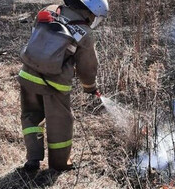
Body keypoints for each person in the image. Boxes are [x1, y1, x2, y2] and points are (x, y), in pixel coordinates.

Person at [18, 0, 109, 171]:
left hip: (28, 73)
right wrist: (89, 87)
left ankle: (33, 160)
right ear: (91, 12)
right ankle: (59, 164)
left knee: (31, 116)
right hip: (54, 83)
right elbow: (88, 67)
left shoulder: (49, 10)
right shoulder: (84, 33)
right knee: (60, 122)